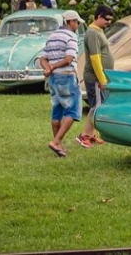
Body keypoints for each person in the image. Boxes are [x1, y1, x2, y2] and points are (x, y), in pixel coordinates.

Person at [40, 10, 84, 157]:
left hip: (53, 79)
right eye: (76, 22)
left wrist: (48, 68)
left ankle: (58, 144)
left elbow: (43, 58)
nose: (77, 25)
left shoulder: (52, 36)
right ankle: (56, 141)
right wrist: (53, 67)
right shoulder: (71, 36)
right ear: (70, 22)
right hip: (67, 76)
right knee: (72, 110)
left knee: (57, 110)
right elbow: (69, 58)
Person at [76, 5, 115, 149]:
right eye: (107, 19)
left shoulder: (98, 31)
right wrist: (102, 80)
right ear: (98, 16)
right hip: (95, 78)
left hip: (100, 77)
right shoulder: (92, 32)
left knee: (97, 106)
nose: (109, 22)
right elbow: (95, 58)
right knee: (96, 107)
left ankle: (91, 135)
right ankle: (84, 136)